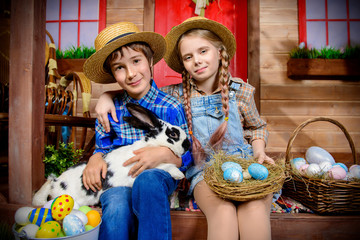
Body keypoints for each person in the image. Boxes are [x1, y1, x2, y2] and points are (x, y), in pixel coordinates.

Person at [95, 17, 275, 240]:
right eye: (188, 57)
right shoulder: (175, 95)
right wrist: (107, 95)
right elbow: (140, 92)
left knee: (255, 210)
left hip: (245, 163)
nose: (197, 61)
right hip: (205, 173)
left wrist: (259, 152)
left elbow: (257, 127)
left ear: (220, 52)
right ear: (182, 63)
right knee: (223, 212)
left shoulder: (242, 92)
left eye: (203, 51)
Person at [82, 22, 192, 240]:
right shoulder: (110, 108)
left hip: (159, 176)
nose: (131, 73)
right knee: (115, 203)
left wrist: (164, 155)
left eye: (136, 61)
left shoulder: (170, 106)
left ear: (150, 61)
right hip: (121, 180)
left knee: (148, 181)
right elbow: (103, 146)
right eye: (119, 67)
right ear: (113, 74)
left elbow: (188, 153)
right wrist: (95, 158)